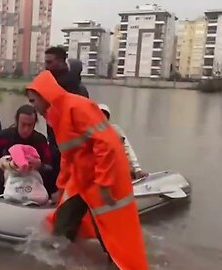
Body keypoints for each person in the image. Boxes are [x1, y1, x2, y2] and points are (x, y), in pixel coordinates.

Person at [26, 71, 148, 270]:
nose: (33, 107)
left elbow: (106, 145)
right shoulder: (55, 116)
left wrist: (104, 184)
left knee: (109, 230)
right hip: (82, 177)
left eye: (33, 101)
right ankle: (56, 261)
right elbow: (68, 155)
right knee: (63, 222)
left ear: (44, 95)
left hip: (104, 174)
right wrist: (61, 187)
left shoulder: (77, 107)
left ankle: (117, 263)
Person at [44, 46, 90, 197]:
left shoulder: (74, 87)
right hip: (55, 140)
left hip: (72, 143)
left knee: (69, 176)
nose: (46, 66)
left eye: (49, 62)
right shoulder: (52, 83)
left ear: (61, 62)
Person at [0, 104, 53, 197]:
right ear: (17, 122)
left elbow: (49, 166)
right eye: (23, 124)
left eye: (30, 125)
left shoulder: (40, 140)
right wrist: (4, 170)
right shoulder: (1, 137)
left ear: (34, 124)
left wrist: (39, 166)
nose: (26, 129)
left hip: (32, 184)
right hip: (4, 182)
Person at [98, 104, 149, 180]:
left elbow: (127, 148)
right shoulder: (87, 132)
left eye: (105, 114)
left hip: (118, 168)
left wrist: (137, 169)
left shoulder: (115, 130)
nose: (102, 117)